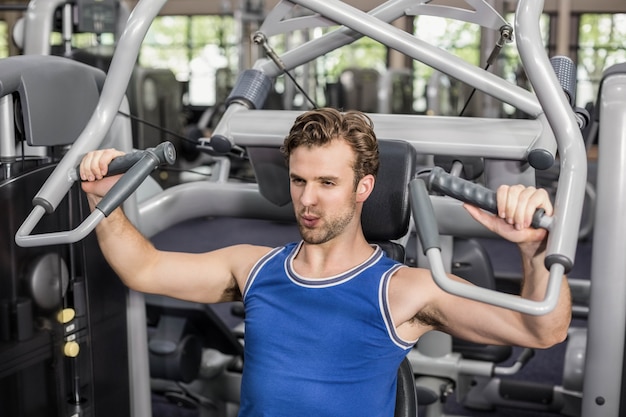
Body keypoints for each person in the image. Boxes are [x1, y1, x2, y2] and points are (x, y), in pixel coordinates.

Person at [79, 107, 571, 417]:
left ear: (364, 188)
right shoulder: (252, 267)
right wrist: (108, 202)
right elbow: (143, 269)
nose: (307, 200)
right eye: (299, 181)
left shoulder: (406, 289)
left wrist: (531, 251)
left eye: (327, 183)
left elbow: (541, 333)